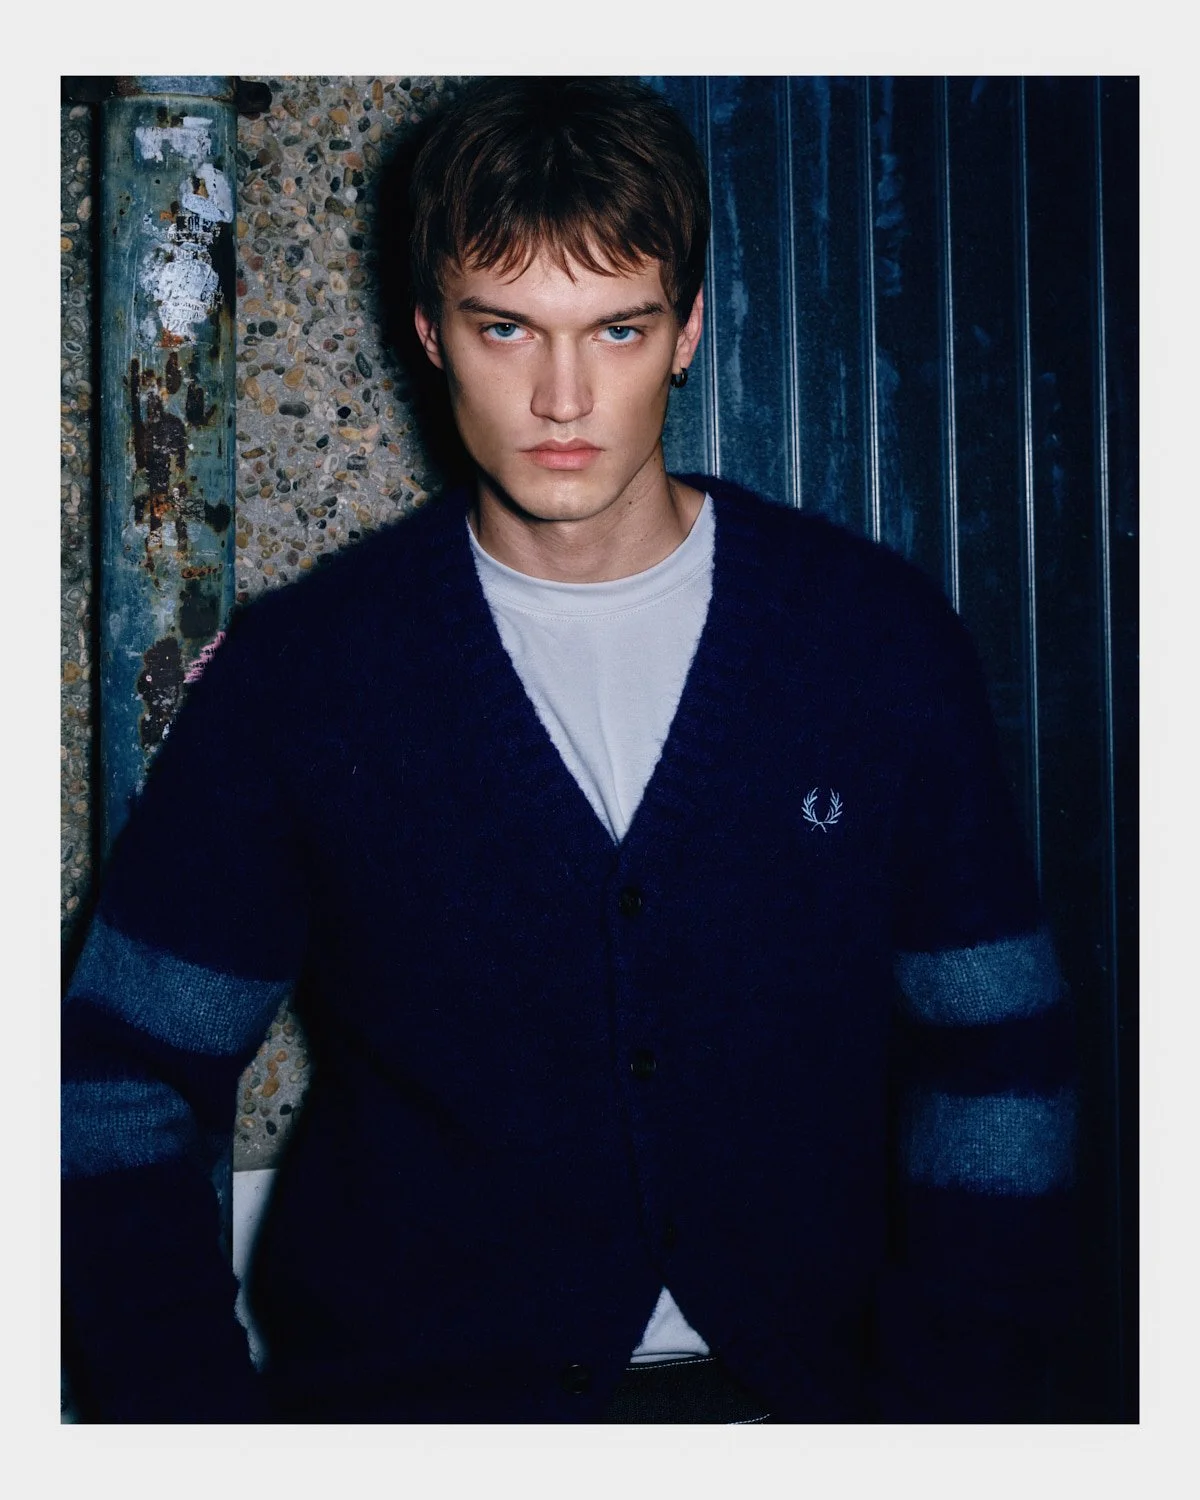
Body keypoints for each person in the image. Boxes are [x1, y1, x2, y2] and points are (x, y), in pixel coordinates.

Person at [61, 76, 1077, 1424]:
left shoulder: (874, 647)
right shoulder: (306, 678)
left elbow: (998, 1052)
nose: (559, 395)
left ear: (688, 330)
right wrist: (186, 1432)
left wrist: (954, 1411)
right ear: (430, 332)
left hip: (809, 1409)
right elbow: (115, 1078)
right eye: (506, 328)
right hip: (415, 1415)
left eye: (615, 328)